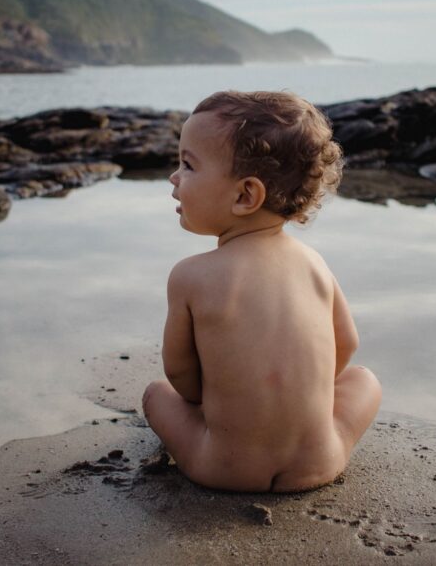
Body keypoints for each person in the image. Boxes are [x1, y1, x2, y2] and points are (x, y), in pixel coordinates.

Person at [142, 90, 382, 492]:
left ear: (245, 196)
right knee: (365, 380)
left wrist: (230, 398)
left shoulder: (190, 275)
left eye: (187, 165)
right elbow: (346, 344)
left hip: (220, 467)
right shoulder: (314, 264)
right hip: (319, 463)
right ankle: (316, 437)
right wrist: (298, 393)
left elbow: (181, 377)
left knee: (155, 395)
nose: (174, 177)